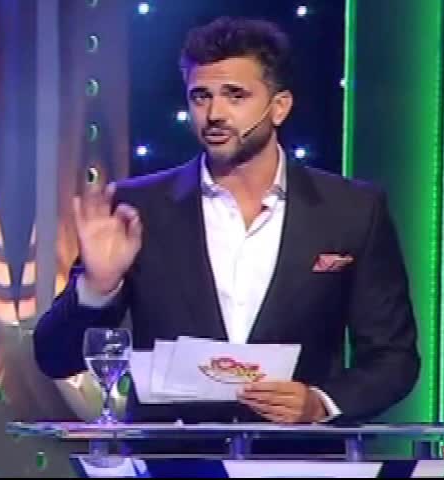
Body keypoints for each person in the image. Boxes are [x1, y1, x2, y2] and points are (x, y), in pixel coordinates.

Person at [34, 16, 420, 430]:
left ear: (279, 107)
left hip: (296, 454)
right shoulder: (137, 208)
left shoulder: (351, 209)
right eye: (200, 97)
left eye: (236, 95)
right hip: (173, 456)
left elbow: (393, 358)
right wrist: (97, 287)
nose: (214, 114)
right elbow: (56, 357)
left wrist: (321, 403)